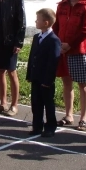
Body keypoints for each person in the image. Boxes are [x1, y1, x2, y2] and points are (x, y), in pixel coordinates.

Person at [53, 0, 86, 131]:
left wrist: (70, 44)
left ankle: (83, 118)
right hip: (63, 51)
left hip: (78, 51)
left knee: (83, 85)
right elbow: (56, 26)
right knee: (66, 83)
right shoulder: (62, 5)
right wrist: (59, 43)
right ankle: (68, 115)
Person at [26, 8, 61, 137]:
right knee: (36, 103)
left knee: (48, 103)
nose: (36, 21)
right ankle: (37, 126)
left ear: (46, 23)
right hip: (36, 77)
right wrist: (30, 74)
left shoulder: (54, 40)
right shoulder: (37, 37)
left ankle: (50, 126)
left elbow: (53, 62)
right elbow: (32, 57)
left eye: (38, 19)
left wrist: (48, 80)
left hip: (46, 79)